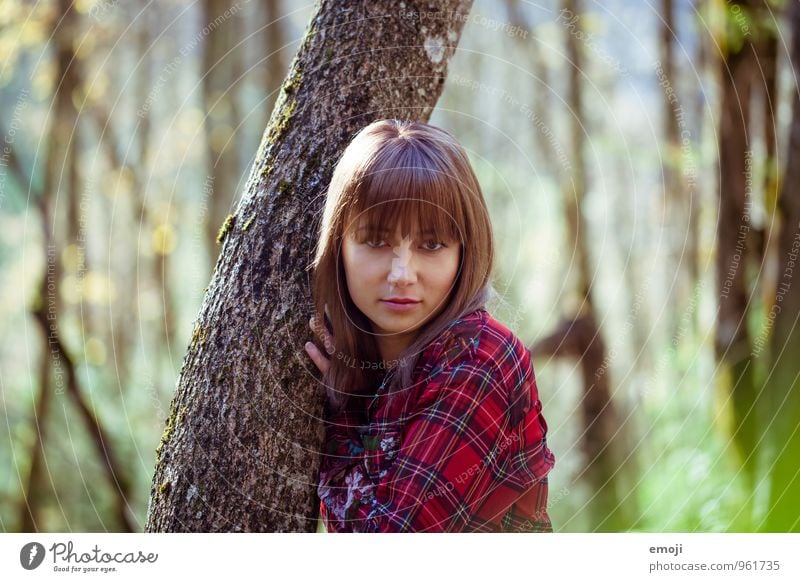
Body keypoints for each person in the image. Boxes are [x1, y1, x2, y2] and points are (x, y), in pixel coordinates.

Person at [303, 119, 555, 532]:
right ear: (338, 247)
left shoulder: (479, 361)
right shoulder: (374, 366)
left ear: (464, 252)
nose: (402, 273)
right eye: (376, 240)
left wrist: (345, 417)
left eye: (432, 244)